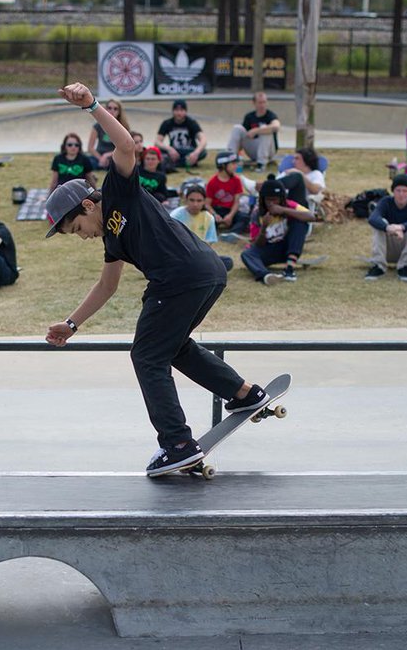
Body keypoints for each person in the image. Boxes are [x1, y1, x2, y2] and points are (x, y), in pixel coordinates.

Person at [44, 81, 272, 477]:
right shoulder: (113, 240)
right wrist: (71, 323)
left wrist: (92, 106)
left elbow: (126, 145)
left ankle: (177, 443)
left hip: (181, 277)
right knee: (173, 347)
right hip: (203, 274)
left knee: (147, 355)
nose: (82, 236)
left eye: (77, 228)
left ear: (86, 205)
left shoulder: (119, 190)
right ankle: (244, 393)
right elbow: (106, 286)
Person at [240, 174, 315, 285]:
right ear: (263, 199)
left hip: (289, 246)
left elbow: (311, 217)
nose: (272, 203)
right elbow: (257, 244)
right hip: (270, 249)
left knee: (300, 221)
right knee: (246, 254)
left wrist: (284, 210)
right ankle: (266, 276)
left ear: (281, 199)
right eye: (269, 200)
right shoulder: (257, 214)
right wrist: (264, 227)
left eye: (275, 200)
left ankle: (289, 269)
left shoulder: (289, 205)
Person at [365, 174, 407, 282]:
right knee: (380, 224)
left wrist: (402, 227)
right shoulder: (386, 202)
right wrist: (387, 227)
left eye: (405, 191)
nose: (401, 194)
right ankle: (378, 266)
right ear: (393, 191)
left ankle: (405, 267)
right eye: (398, 190)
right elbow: (373, 218)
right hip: (387, 250)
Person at [172, 183, 234, 271]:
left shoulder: (208, 218)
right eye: (192, 200)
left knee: (227, 261)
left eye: (199, 201)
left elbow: (208, 244)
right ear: (186, 200)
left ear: (204, 201)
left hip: (200, 254)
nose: (195, 204)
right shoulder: (176, 216)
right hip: (180, 255)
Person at [226, 91, 280, 172]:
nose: (262, 105)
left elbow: (276, 126)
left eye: (264, 102)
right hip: (254, 149)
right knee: (237, 128)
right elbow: (242, 136)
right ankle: (230, 159)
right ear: (254, 103)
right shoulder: (249, 117)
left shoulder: (270, 115)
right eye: (260, 103)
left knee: (265, 128)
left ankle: (261, 164)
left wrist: (257, 130)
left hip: (268, 150)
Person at [155, 99, 207, 172]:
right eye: (176, 110)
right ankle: (186, 163)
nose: (179, 113)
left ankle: (175, 163)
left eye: (182, 110)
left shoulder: (191, 123)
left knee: (203, 152)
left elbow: (203, 139)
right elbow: (157, 141)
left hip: (189, 151)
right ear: (173, 111)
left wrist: (196, 153)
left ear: (185, 111)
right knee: (158, 151)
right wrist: (169, 149)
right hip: (174, 151)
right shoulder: (167, 123)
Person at [206, 151, 248, 234]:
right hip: (216, 210)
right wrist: (215, 215)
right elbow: (207, 204)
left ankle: (230, 234)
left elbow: (236, 202)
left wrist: (230, 216)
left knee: (244, 218)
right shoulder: (212, 182)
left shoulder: (236, 181)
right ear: (223, 165)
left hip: (230, 210)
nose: (235, 166)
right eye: (233, 164)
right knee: (206, 219)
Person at [87, 98, 130, 171]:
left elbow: (125, 148)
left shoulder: (123, 127)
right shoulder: (97, 126)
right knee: (88, 162)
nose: (112, 111)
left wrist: (107, 155)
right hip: (98, 157)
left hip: (115, 157)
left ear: (119, 112)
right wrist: (100, 158)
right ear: (105, 109)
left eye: (115, 109)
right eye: (109, 108)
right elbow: (90, 148)